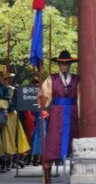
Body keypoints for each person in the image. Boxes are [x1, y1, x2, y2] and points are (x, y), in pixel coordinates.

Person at [38, 51, 80, 184]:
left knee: (74, 142)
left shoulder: (77, 79)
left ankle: (76, 173)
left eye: (66, 63)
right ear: (59, 65)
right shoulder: (52, 78)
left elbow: (81, 98)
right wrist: (42, 102)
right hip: (57, 113)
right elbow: (45, 95)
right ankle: (47, 175)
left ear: (70, 64)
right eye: (62, 64)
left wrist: (80, 115)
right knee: (53, 143)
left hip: (72, 112)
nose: (64, 66)